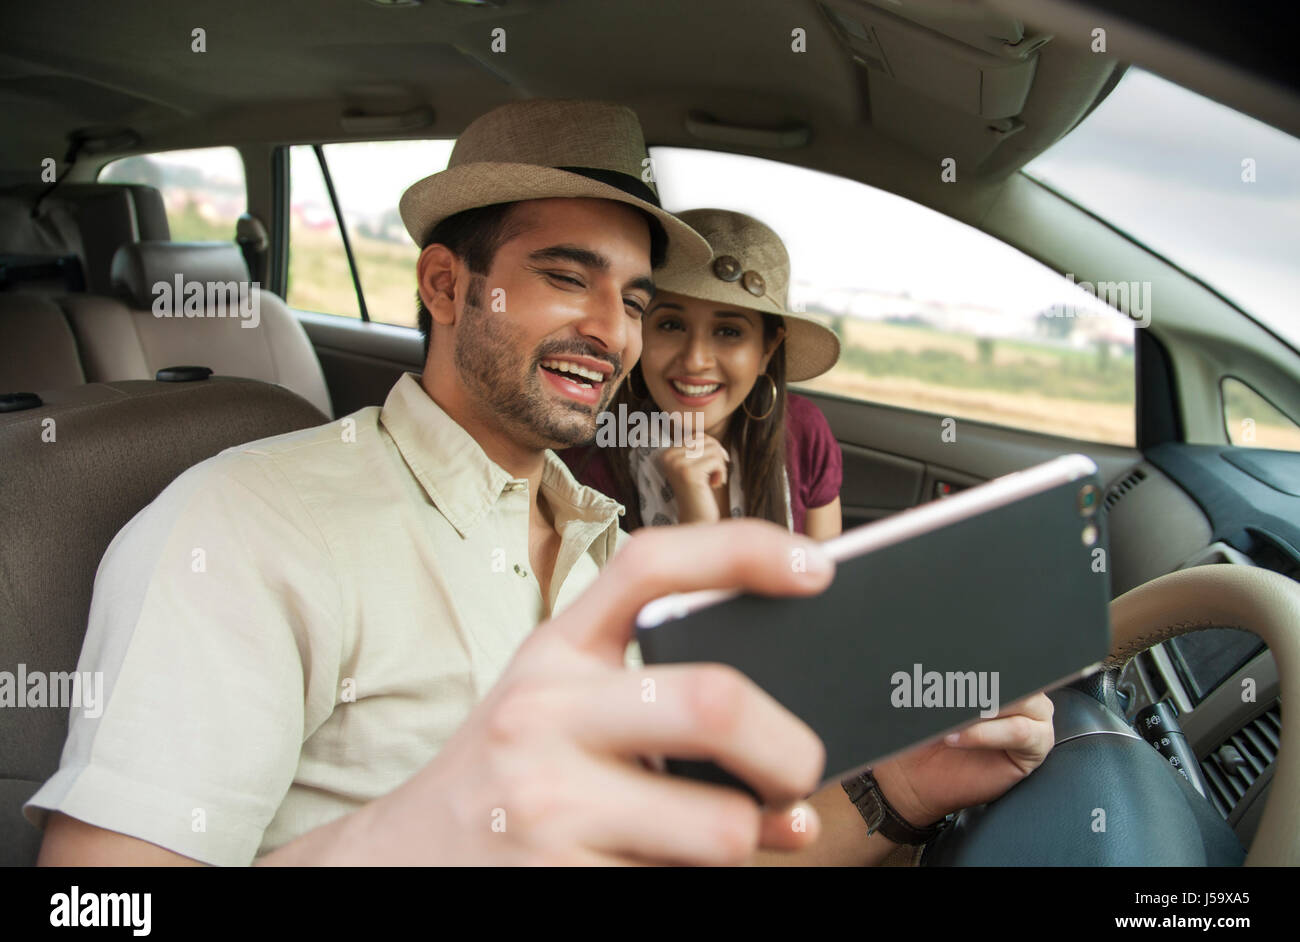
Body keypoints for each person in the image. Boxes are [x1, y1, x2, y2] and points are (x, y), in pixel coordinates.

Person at [31, 99, 1053, 866]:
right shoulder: (247, 528)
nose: (610, 331)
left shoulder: (606, 547)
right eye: (567, 276)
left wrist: (907, 786)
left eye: (634, 299)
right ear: (444, 284)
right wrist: (411, 831)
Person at [561, 209, 844, 540]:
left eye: (728, 331)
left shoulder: (803, 431)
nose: (695, 361)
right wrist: (696, 526)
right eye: (670, 325)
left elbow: (825, 584)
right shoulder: (586, 458)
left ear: (767, 348)